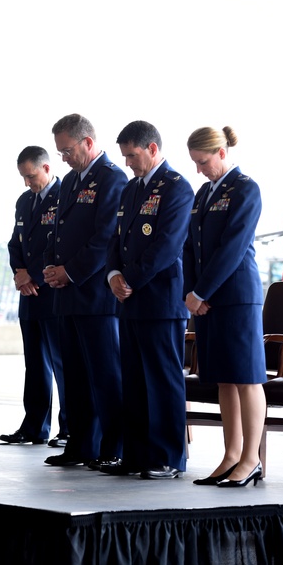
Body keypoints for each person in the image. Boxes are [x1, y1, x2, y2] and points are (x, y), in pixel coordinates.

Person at [103, 121, 194, 479]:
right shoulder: (129, 191)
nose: (127, 162)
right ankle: (137, 454)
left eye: (132, 155)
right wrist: (113, 276)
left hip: (159, 300)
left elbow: (168, 245)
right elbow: (115, 240)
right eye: (124, 155)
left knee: (162, 379)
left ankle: (168, 457)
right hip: (128, 300)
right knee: (135, 381)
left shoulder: (176, 188)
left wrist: (131, 279)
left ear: (152, 149)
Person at [183, 125, 266, 487]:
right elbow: (189, 248)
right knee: (222, 379)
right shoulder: (203, 193)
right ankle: (231, 455)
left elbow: (232, 248)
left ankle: (251, 458)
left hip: (235, 297)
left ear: (220, 152)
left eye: (203, 162)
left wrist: (201, 292)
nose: (199, 170)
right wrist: (191, 292)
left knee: (246, 378)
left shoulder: (245, 189)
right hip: (206, 300)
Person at [43, 114, 127, 469]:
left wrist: (71, 272)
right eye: (59, 153)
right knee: (74, 377)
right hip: (67, 296)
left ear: (88, 143)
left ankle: (113, 447)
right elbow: (57, 232)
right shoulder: (68, 183)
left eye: (67, 151)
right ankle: (80, 445)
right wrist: (51, 268)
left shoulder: (112, 178)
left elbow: (105, 238)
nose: (63, 158)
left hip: (95, 295)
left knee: (105, 376)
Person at [0, 145, 68, 447]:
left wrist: (35, 276)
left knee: (63, 364)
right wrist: (19, 273)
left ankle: (69, 428)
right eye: (23, 177)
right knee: (35, 365)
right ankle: (34, 427)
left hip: (52, 292)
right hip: (29, 296)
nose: (28, 183)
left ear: (46, 168)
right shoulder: (25, 201)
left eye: (31, 176)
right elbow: (16, 243)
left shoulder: (65, 196)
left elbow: (59, 245)